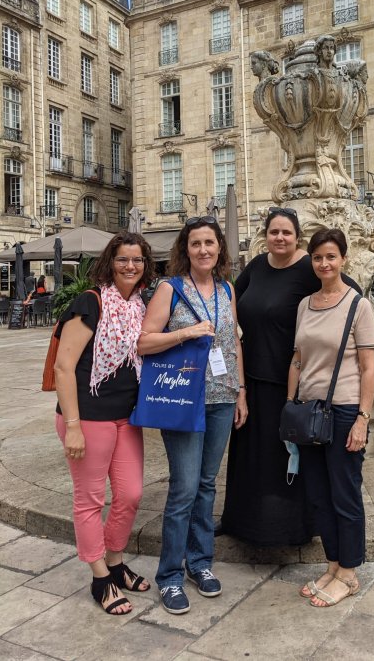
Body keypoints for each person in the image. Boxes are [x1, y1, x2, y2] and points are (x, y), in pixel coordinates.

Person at [221, 208, 360, 547]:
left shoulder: (309, 267)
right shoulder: (256, 266)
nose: (279, 238)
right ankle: (241, 522)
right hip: (251, 380)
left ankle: (285, 530)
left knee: (286, 460)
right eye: (273, 232)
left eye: (286, 232)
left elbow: (350, 297)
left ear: (297, 236)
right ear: (264, 236)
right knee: (250, 460)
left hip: (291, 384)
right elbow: (229, 303)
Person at [138, 216, 247, 615]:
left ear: (220, 248)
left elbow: (232, 343)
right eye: (196, 243)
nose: (203, 249)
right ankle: (169, 575)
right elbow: (144, 342)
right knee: (183, 488)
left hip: (221, 398)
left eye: (210, 243)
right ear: (186, 248)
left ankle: (199, 564)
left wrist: (241, 392)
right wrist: (184, 333)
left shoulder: (226, 289)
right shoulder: (170, 288)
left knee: (205, 485)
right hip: (182, 400)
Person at [54, 232, 155, 615]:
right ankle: (100, 576)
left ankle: (115, 560)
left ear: (146, 266)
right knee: (90, 499)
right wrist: (74, 425)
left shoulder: (140, 307)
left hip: (125, 417)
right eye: (123, 259)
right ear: (109, 263)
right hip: (88, 418)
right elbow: (64, 366)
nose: (130, 266)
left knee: (130, 494)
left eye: (138, 260)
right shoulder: (90, 303)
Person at [290, 227, 374, 608]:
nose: (324, 263)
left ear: (343, 259)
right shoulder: (305, 304)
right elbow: (298, 358)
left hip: (342, 411)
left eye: (331, 256)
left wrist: (362, 418)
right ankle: (332, 565)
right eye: (318, 257)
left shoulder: (358, 305)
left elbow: (368, 367)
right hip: (309, 413)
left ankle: (349, 573)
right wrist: (289, 404)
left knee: (344, 494)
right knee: (319, 497)